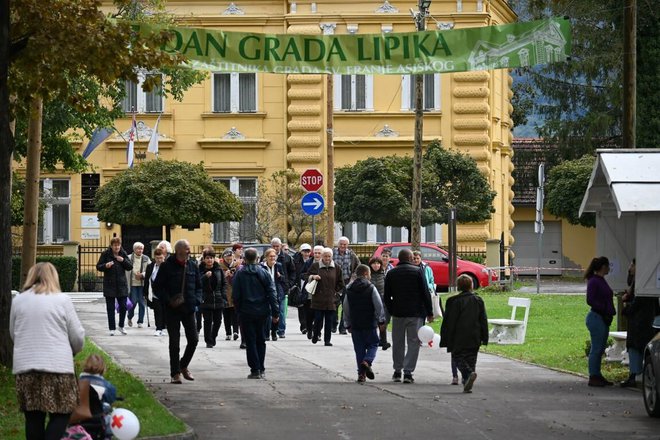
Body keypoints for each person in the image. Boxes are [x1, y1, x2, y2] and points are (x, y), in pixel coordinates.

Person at [10, 262, 85, 440]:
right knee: (62, 413)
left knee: (33, 417)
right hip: (57, 367)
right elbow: (77, 336)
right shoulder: (62, 300)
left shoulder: (18, 300)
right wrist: (73, 350)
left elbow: (14, 333)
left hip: (26, 368)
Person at [153, 239, 202, 384]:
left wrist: (197, 300)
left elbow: (199, 286)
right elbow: (157, 288)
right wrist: (168, 300)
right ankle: (175, 373)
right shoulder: (167, 266)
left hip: (189, 309)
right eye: (187, 249)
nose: (189, 251)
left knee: (193, 339)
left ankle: (183, 365)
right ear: (179, 250)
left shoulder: (193, 265)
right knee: (174, 342)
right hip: (172, 310)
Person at [384, 249, 433, 384]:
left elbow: (386, 296)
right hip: (415, 313)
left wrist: (392, 309)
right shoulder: (417, 272)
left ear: (399, 258)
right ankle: (408, 371)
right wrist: (429, 312)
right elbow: (425, 293)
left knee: (398, 342)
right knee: (413, 342)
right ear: (411, 258)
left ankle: (397, 370)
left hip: (398, 312)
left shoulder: (391, 273)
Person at [232, 248, 280, 379]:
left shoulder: (240, 274)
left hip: (246, 311)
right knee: (261, 339)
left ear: (245, 259)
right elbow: (272, 292)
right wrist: (275, 312)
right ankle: (261, 367)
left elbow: (235, 295)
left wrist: (238, 311)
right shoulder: (263, 273)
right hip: (262, 311)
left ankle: (255, 369)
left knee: (250, 340)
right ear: (257, 258)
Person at [440, 274, 489, 393]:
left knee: (458, 357)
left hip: (458, 335)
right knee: (471, 359)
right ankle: (467, 381)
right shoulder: (478, 300)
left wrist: (446, 337)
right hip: (474, 334)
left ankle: (467, 375)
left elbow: (449, 321)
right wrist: (484, 336)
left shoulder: (453, 301)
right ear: (471, 285)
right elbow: (483, 319)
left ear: (458, 286)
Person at [343, 264, 387, 382]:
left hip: (356, 323)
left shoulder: (349, 288)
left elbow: (346, 308)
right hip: (369, 322)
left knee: (359, 348)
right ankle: (367, 361)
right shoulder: (371, 287)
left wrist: (347, 323)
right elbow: (378, 305)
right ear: (366, 274)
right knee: (374, 343)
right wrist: (381, 320)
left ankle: (361, 374)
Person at [621, 259, 660, 387]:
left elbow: (637, 303)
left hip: (639, 321)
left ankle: (635, 375)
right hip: (645, 320)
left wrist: (626, 307)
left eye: (632, 265)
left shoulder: (642, 285)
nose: (630, 268)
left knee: (635, 348)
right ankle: (636, 374)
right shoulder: (646, 282)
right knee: (638, 348)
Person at [584, 256, 616, 387]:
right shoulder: (594, 281)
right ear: (603, 267)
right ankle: (593, 375)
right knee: (596, 348)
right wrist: (603, 308)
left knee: (600, 347)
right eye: (608, 266)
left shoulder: (601, 280)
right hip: (597, 317)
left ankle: (597, 374)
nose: (609, 268)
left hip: (603, 318)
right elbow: (590, 300)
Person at [308, 247, 345, 346]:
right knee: (318, 320)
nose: (327, 258)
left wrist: (335, 292)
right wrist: (313, 277)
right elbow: (307, 276)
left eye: (329, 256)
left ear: (331, 257)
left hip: (331, 299)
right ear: (322, 256)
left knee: (329, 321)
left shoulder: (336, 267)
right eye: (325, 256)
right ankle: (315, 335)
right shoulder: (316, 266)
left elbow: (341, 282)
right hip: (318, 298)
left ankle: (327, 340)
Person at [96, 237, 133, 336]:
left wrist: (123, 260)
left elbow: (130, 266)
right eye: (115, 245)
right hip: (109, 284)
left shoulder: (123, 253)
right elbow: (98, 266)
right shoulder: (105, 254)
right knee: (110, 308)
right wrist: (105, 266)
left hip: (121, 285)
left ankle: (121, 326)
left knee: (124, 306)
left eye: (118, 245)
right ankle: (111, 328)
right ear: (111, 246)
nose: (117, 247)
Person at [199, 248, 228, 348]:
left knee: (218, 321)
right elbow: (197, 283)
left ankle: (213, 336)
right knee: (207, 321)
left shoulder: (218, 269)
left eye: (211, 258)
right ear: (204, 259)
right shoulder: (200, 270)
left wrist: (224, 298)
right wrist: (204, 277)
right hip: (206, 299)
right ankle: (208, 341)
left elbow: (224, 284)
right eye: (207, 258)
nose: (209, 260)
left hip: (218, 299)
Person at [333, 237, 360, 334]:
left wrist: (353, 277)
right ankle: (334, 323)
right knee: (334, 304)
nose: (343, 246)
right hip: (334, 283)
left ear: (347, 245)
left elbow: (358, 266)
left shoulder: (351, 255)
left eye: (345, 244)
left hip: (347, 282)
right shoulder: (332, 253)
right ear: (338, 244)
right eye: (341, 244)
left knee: (345, 306)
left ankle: (343, 327)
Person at [270, 237, 296, 338]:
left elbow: (293, 272)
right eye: (274, 246)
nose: (276, 248)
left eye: (277, 246)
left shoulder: (287, 257)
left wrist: (289, 283)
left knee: (281, 310)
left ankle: (281, 330)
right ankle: (271, 329)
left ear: (281, 246)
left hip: (282, 286)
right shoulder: (266, 256)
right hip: (270, 286)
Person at [261, 248, 287, 341]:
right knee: (267, 314)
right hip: (265, 293)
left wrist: (280, 276)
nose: (273, 258)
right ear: (266, 257)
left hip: (276, 292)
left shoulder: (278, 266)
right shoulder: (262, 267)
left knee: (276, 313)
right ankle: (266, 333)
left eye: (274, 256)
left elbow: (284, 279)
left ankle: (274, 332)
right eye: (270, 256)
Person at [300, 245, 324, 339]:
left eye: (319, 253)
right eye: (316, 253)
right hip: (310, 292)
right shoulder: (309, 262)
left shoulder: (327, 264)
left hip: (322, 293)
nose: (317, 255)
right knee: (309, 314)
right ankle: (309, 329)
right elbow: (302, 275)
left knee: (320, 314)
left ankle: (318, 332)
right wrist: (311, 277)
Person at [126, 242, 151, 328]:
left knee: (141, 302)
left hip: (142, 284)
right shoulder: (129, 258)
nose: (140, 250)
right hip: (132, 284)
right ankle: (129, 316)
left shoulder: (146, 258)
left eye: (141, 248)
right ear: (134, 249)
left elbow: (149, 270)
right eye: (138, 248)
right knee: (133, 302)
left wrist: (142, 274)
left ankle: (140, 321)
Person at [368, 256, 391, 351]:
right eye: (374, 263)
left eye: (378, 263)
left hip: (382, 301)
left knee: (382, 322)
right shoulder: (368, 275)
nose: (376, 265)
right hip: (370, 301)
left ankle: (383, 341)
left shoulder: (384, 275)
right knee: (372, 322)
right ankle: (372, 340)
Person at [143, 247, 166, 336]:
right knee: (157, 310)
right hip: (154, 291)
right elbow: (147, 280)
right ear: (154, 258)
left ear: (163, 257)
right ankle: (158, 328)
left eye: (161, 258)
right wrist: (145, 292)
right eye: (157, 258)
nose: (159, 260)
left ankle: (163, 327)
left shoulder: (167, 266)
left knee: (164, 310)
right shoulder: (150, 266)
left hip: (165, 291)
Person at [219, 248, 240, 341]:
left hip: (235, 292)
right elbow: (217, 279)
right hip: (224, 293)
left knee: (235, 313)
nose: (229, 259)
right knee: (226, 314)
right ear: (223, 257)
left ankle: (236, 331)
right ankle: (228, 332)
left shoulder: (238, 266)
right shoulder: (220, 267)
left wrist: (233, 275)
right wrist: (224, 275)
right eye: (227, 257)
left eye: (230, 257)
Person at [293, 243, 313, 334]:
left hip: (309, 285)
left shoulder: (312, 261)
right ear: (301, 252)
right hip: (299, 284)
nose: (306, 253)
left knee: (309, 306)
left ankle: (308, 324)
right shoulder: (295, 260)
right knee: (301, 306)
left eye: (308, 251)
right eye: (305, 251)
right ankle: (303, 325)